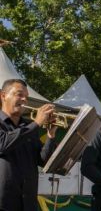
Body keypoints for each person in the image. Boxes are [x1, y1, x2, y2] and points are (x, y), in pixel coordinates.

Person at [0, 79, 57, 211]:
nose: (24, 99)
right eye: (19, 94)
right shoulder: (31, 127)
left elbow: (42, 160)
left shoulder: (28, 127)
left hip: (28, 203)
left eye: (26, 97)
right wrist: (36, 123)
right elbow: (3, 144)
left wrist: (50, 136)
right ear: (3, 96)